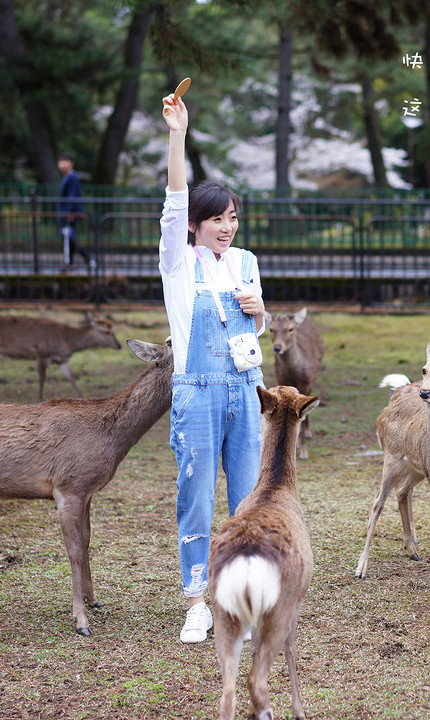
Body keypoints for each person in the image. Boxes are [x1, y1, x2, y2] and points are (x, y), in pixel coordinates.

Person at [158, 91, 267, 644]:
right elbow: (174, 199)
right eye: (218, 219)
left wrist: (260, 311)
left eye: (233, 219)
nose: (227, 228)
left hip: (248, 392)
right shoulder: (177, 262)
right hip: (197, 392)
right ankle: (196, 601)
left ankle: (242, 600)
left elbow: (257, 333)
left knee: (249, 500)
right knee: (195, 496)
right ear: (196, 224)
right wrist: (178, 134)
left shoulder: (246, 262)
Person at [57, 153, 91, 268]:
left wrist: (69, 212)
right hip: (67, 213)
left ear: (71, 163)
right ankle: (72, 261)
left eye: (65, 161)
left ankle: (85, 257)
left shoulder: (72, 177)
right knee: (69, 238)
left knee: (69, 238)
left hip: (69, 213)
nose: (62, 164)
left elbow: (72, 196)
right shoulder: (68, 177)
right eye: (60, 162)